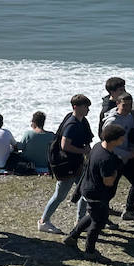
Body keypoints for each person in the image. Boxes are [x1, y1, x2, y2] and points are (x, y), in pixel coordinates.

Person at [62, 123, 127, 256]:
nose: (123, 140)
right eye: (121, 138)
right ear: (114, 140)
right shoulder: (106, 159)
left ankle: (72, 237)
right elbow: (108, 182)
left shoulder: (98, 147)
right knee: (98, 222)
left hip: (88, 188)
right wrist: (115, 172)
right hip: (97, 194)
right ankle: (90, 251)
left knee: (93, 215)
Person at [38, 96, 94, 233]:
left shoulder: (80, 121)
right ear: (76, 107)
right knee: (60, 195)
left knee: (84, 191)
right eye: (85, 106)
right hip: (67, 165)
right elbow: (64, 145)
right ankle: (44, 221)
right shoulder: (72, 124)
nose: (88, 109)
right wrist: (83, 151)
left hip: (78, 164)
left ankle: (80, 221)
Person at [102, 94, 134, 220]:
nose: (127, 108)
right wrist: (126, 154)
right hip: (115, 159)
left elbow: (131, 134)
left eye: (130, 105)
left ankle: (129, 210)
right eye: (124, 105)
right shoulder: (112, 121)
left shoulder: (129, 117)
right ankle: (101, 214)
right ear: (117, 104)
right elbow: (106, 145)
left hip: (127, 158)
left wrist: (132, 147)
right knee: (110, 189)